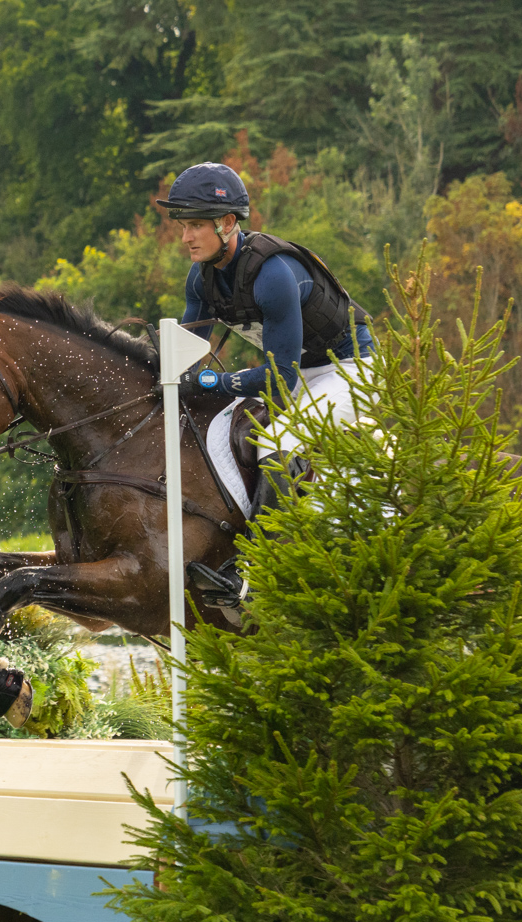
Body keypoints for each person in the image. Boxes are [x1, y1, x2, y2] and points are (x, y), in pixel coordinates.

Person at [159, 161, 375, 610]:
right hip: (298, 371)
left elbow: (281, 380)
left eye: (195, 225)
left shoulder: (273, 274)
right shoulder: (201, 278)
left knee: (281, 435)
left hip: (349, 368)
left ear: (227, 223)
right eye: (183, 226)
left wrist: (214, 381)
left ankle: (259, 568)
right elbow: (181, 359)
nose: (185, 237)